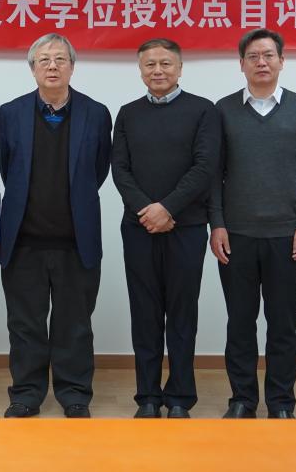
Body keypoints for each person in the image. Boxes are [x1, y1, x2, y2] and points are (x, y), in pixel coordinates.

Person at [0, 33, 112, 418]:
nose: (52, 66)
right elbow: (8, 168)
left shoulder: (96, 113)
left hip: (76, 241)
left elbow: (97, 171)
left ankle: (74, 393)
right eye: (43, 60)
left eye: (60, 59)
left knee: (74, 325)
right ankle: (26, 394)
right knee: (25, 325)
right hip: (23, 241)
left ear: (72, 67)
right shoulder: (10, 113)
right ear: (32, 69)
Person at [210, 27, 296, 419]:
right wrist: (216, 224)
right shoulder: (223, 110)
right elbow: (213, 173)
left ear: (281, 61)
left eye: (269, 55)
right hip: (236, 235)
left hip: (287, 235)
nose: (262, 62)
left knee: (282, 325)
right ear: (241, 63)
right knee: (240, 323)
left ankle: (281, 402)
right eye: (253, 56)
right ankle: (242, 399)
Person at [111, 38, 219, 418]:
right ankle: (148, 397)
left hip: (187, 227)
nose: (157, 70)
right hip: (138, 227)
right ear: (140, 69)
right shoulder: (128, 113)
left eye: (165, 63)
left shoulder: (203, 110)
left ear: (179, 68)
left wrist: (168, 208)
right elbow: (120, 169)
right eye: (150, 64)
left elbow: (205, 167)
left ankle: (179, 398)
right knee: (145, 313)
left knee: (182, 313)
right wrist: (148, 210)